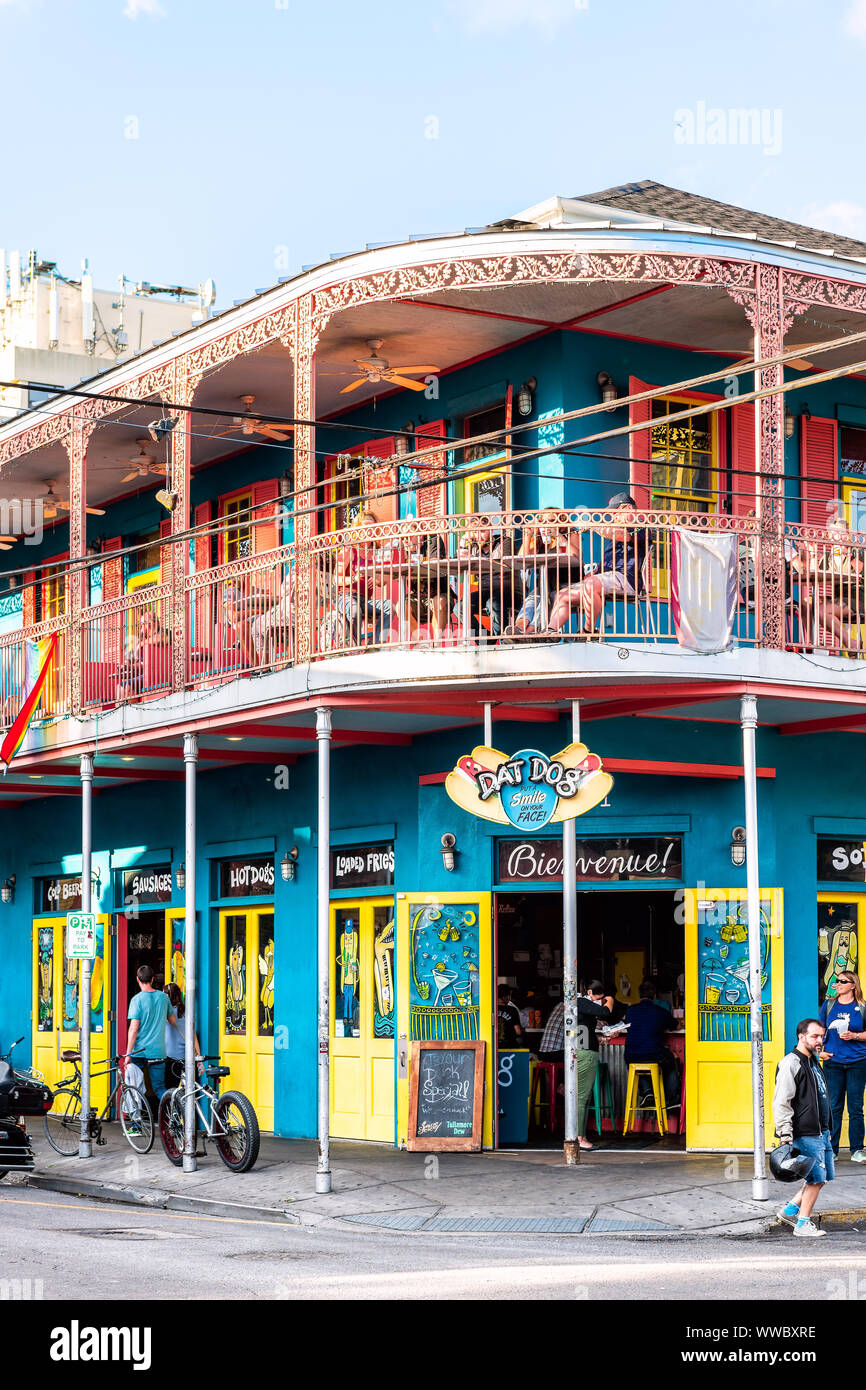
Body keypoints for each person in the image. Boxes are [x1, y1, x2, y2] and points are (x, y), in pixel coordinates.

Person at [548, 492, 651, 636]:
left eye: (615, 513)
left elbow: (624, 536)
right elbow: (610, 561)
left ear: (627, 508)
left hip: (627, 578)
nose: (612, 517)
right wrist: (596, 570)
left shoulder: (640, 525)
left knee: (591, 584)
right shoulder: (616, 530)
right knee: (562, 595)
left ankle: (588, 631)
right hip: (607, 578)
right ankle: (550, 633)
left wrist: (593, 526)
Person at [773, 1017, 835, 1237]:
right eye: (814, 1036)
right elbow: (782, 1101)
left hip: (821, 1132)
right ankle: (802, 1225)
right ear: (801, 1037)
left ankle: (790, 1210)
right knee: (816, 1179)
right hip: (806, 1132)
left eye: (821, 1036)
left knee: (823, 1177)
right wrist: (785, 1134)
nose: (820, 1040)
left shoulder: (812, 1062)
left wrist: (827, 1130)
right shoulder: (791, 1063)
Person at [538, 982, 612, 1149]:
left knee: (581, 1097)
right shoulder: (581, 1002)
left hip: (572, 1050)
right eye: (598, 999)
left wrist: (599, 1039)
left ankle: (579, 1135)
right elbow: (604, 1012)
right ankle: (579, 1137)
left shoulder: (573, 1006)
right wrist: (610, 1000)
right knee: (581, 1097)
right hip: (576, 1053)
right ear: (590, 992)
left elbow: (580, 1032)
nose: (598, 1003)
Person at [819, 969, 866, 1162]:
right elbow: (819, 1031)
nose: (837, 984)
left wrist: (855, 1036)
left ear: (853, 985)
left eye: (842, 981)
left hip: (857, 1062)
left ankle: (856, 1150)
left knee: (855, 1108)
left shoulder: (862, 1007)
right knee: (833, 1107)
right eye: (836, 981)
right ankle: (832, 1150)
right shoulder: (828, 1006)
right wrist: (818, 1051)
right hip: (833, 1062)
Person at [126, 963, 176, 1104]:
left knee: (135, 1088)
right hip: (158, 1051)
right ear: (153, 979)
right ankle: (173, 1116)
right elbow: (173, 1021)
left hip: (139, 1051)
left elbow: (133, 1028)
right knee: (160, 1088)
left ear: (138, 979)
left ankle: (136, 1125)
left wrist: (128, 1054)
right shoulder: (163, 998)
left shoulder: (136, 1000)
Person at [624, 982, 680, 1107]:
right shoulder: (660, 1011)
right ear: (654, 996)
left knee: (636, 1064)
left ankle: (647, 1091)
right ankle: (671, 1099)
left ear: (639, 995)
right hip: (653, 1054)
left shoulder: (630, 1011)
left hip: (630, 1056)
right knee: (671, 1059)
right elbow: (675, 1025)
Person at [164, 982, 203, 1091]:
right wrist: (198, 1057)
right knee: (189, 1091)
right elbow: (194, 1036)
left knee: (170, 1091)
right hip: (188, 1057)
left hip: (171, 1058)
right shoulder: (187, 1012)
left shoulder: (167, 1013)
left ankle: (173, 1108)